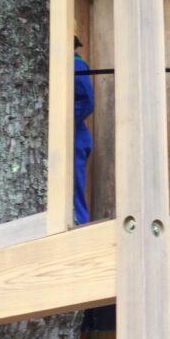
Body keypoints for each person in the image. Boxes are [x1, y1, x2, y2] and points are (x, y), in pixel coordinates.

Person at [74, 31, 94, 225]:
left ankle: (80, 227)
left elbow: (87, 102)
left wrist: (62, 120)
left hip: (74, 135)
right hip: (71, 135)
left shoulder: (76, 64)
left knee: (73, 191)